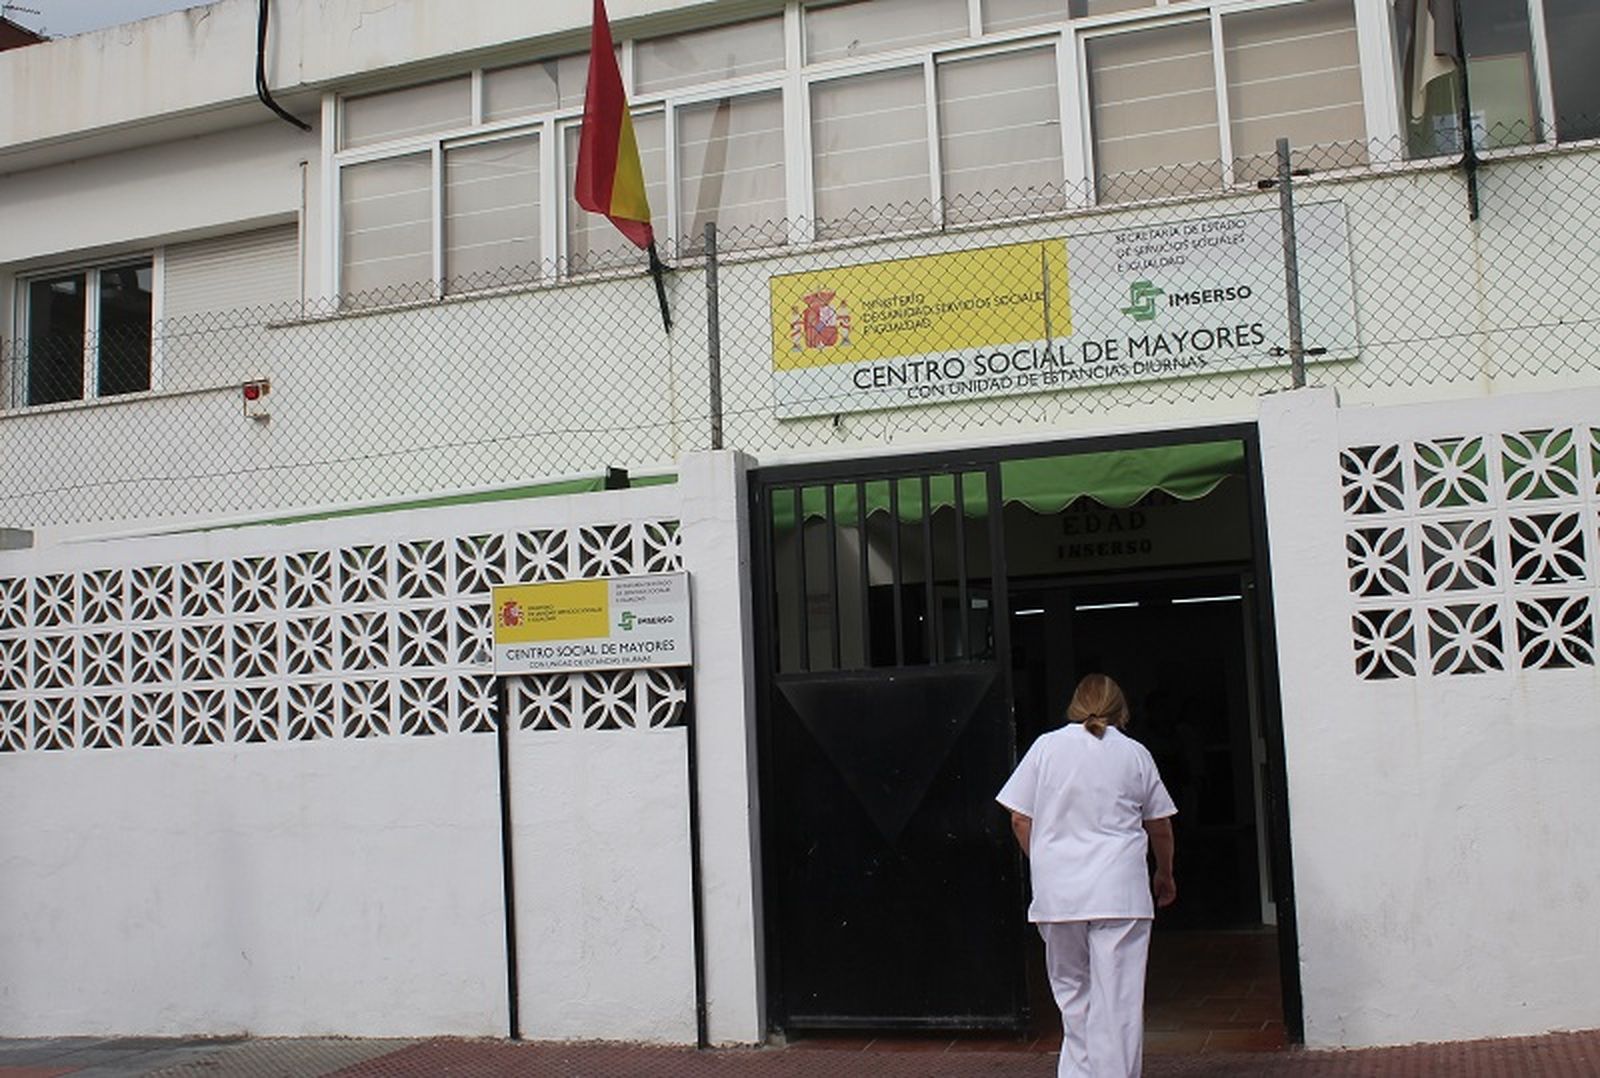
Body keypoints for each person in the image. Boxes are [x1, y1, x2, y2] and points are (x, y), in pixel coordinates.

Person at [997, 673, 1177, 1078]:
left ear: (1075, 706)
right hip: (1120, 892)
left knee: (1073, 998)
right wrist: (1164, 873)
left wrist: (1045, 861)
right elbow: (1160, 824)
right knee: (1118, 1000)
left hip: (1059, 895)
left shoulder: (1046, 747)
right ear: (1122, 710)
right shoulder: (1134, 754)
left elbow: (1020, 818)